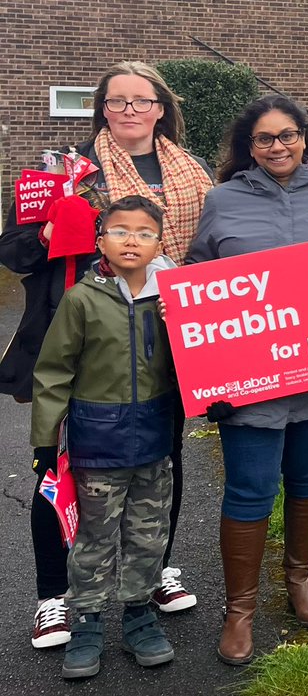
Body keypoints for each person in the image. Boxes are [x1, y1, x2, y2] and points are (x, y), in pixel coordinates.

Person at [0, 61, 209, 650]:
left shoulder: (192, 173)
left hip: (161, 336)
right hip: (81, 333)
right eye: (116, 102)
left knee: (160, 459)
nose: (129, 112)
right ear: (102, 110)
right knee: (58, 467)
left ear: (161, 107)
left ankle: (151, 571)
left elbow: (212, 246)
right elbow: (13, 250)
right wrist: (50, 233)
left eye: (140, 101)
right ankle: (54, 597)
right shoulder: (64, 172)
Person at [186, 94, 308, 664]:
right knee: (250, 487)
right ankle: (239, 608)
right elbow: (196, 271)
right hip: (247, 378)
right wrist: (184, 302)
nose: (277, 147)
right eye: (264, 139)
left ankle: (298, 580)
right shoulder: (222, 200)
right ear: (249, 146)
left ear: (304, 137)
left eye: (287, 135)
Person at [32, 196, 180, 679]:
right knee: (94, 538)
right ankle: (88, 621)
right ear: (101, 240)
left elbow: (199, 354)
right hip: (99, 442)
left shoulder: (174, 296)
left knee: (148, 534)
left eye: (143, 232)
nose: (131, 240)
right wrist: (44, 444)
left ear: (160, 241)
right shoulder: (82, 300)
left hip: (156, 439)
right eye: (119, 230)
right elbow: (53, 373)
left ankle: (139, 613)